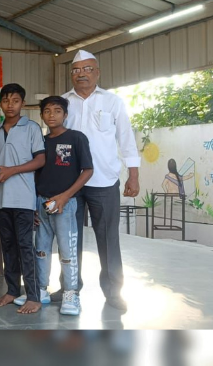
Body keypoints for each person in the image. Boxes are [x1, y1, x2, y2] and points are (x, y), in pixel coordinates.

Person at [54, 50, 141, 312]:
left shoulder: (112, 101)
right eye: (76, 70)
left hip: (104, 181)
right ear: (71, 74)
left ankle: (114, 292)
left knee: (108, 238)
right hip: (70, 184)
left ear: (97, 72)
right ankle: (69, 288)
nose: (81, 74)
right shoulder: (63, 103)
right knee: (69, 239)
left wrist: (133, 174)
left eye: (87, 69)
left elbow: (126, 138)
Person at [12, 96, 93, 316]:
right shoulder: (41, 141)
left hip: (66, 204)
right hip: (42, 202)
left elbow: (87, 170)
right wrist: (33, 205)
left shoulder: (76, 138)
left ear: (65, 115)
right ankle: (40, 290)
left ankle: (71, 293)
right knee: (41, 250)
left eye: (57, 111)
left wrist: (66, 196)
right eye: (47, 111)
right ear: (41, 116)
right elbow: (34, 173)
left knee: (67, 251)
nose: (52, 115)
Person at [0, 83, 46, 314]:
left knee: (25, 246)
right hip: (0, 197)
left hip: (23, 196)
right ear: (0, 104)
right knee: (8, 245)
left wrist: (12, 170)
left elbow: (40, 160)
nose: (10, 105)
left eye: (15, 101)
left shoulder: (31, 128)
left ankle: (33, 296)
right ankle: (12, 291)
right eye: (5, 100)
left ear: (22, 103)